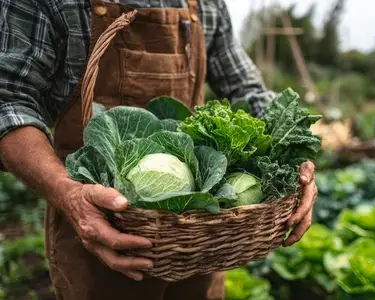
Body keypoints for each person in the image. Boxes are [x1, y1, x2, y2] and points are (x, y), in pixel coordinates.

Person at [0, 0, 318, 299]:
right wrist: (67, 193)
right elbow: (9, 102)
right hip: (100, 238)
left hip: (202, 241)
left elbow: (245, 89)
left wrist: (293, 153)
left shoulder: (205, 4)